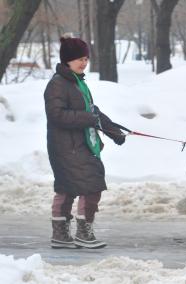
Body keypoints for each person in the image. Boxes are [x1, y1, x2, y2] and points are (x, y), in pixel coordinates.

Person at [44, 35, 126, 249]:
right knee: (90, 185)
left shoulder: (77, 83)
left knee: (68, 188)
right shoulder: (57, 84)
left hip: (79, 145)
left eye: (86, 58)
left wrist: (114, 131)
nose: (84, 62)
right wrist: (88, 118)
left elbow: (92, 112)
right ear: (67, 60)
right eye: (79, 58)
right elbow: (57, 115)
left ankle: (61, 236)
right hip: (66, 147)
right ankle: (82, 232)